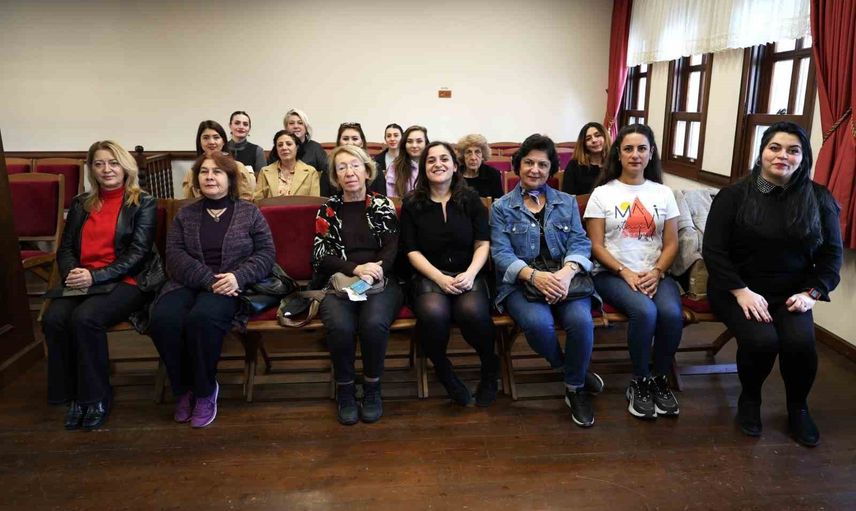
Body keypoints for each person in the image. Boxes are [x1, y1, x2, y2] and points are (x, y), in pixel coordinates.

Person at [703, 121, 842, 447]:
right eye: (775, 148)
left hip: (793, 293)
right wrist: (741, 292)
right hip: (736, 288)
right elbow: (714, 251)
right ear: (762, 152)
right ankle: (750, 400)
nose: (783, 156)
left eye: (793, 151)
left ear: (803, 158)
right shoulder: (734, 196)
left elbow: (831, 256)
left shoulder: (819, 198)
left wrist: (812, 294)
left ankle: (798, 408)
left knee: (800, 343)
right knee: (762, 341)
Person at [149, 152, 275, 428]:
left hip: (232, 286)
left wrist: (238, 277)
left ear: (230, 179)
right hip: (188, 282)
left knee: (202, 319)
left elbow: (266, 254)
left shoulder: (249, 212)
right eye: (204, 172)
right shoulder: (186, 214)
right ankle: (184, 389)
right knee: (163, 319)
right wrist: (208, 280)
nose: (209, 177)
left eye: (217, 172)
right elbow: (175, 255)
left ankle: (205, 390)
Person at [43, 140, 160, 430]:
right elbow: (66, 248)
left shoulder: (142, 202)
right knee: (54, 318)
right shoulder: (81, 203)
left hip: (128, 280)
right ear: (91, 169)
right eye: (99, 164)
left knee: (86, 318)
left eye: (113, 162)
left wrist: (95, 276)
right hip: (84, 278)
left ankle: (95, 396)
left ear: (125, 166)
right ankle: (71, 394)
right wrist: (74, 273)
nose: (107, 169)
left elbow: (138, 254)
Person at [490, 134, 601, 428]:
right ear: (518, 166)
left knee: (581, 322)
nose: (535, 170)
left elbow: (580, 242)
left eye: (542, 164)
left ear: (551, 169)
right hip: (521, 280)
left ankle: (574, 390)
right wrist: (534, 276)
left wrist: (566, 273)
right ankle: (572, 371)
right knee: (539, 324)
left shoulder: (566, 202)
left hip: (565, 277)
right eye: (528, 163)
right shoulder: (501, 207)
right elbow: (500, 253)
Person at [584, 123, 683, 421]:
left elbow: (672, 243)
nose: (635, 154)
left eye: (642, 148)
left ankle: (659, 379)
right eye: (628, 149)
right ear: (618, 154)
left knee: (671, 314)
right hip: (611, 273)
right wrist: (624, 271)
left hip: (655, 273)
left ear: (651, 153)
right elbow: (595, 245)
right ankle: (639, 381)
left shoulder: (663, 193)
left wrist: (657, 270)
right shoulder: (602, 193)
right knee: (645, 312)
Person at [401, 141, 500, 406]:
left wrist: (470, 273)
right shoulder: (412, 203)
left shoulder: (471, 200)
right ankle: (443, 370)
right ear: (424, 168)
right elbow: (411, 250)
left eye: (444, 159)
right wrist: (439, 278)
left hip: (469, 272)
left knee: (472, 313)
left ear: (455, 166)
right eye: (431, 160)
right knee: (433, 314)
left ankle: (490, 368)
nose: (438, 164)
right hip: (429, 275)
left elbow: (482, 243)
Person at [312, 145, 403, 425]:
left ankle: (373, 387)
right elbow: (321, 255)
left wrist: (373, 272)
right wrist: (355, 269)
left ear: (366, 171)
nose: (349, 172)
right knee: (340, 326)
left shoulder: (382, 204)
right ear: (335, 176)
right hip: (340, 281)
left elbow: (392, 247)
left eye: (354, 165)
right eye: (342, 168)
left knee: (373, 324)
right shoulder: (328, 209)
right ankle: (346, 390)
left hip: (381, 280)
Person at [183, 120, 255, 200]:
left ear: (223, 141)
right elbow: (188, 201)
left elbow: (246, 199)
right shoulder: (192, 172)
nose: (211, 142)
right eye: (206, 138)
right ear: (200, 142)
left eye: (216, 137)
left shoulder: (238, 167)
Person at [271, 108, 331, 195]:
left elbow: (327, 173)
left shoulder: (316, 148)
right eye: (291, 123)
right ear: (286, 128)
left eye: (300, 123)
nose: (296, 126)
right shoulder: (279, 149)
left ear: (306, 128)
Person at [254, 130, 321, 199]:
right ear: (276, 149)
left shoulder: (310, 172)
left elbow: (315, 202)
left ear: (297, 147)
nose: (284, 148)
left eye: (289, 144)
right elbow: (258, 201)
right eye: (280, 145)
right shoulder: (265, 171)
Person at [337, 122, 386, 194]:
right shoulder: (329, 169)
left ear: (362, 143)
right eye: (345, 139)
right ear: (339, 142)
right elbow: (325, 199)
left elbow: (381, 196)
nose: (350, 143)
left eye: (355, 139)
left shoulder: (375, 168)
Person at [562, 122, 610, 196]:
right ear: (584, 144)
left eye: (597, 135)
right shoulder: (574, 165)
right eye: (588, 139)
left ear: (605, 137)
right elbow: (567, 196)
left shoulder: (615, 163)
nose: (594, 140)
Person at [456, 134, 503, 198]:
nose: (473, 158)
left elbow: (499, 201)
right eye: (468, 152)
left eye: (477, 152)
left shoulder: (493, 174)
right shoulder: (455, 175)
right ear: (463, 156)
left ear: (483, 156)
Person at [387, 125, 427, 198]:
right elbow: (392, 198)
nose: (414, 145)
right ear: (404, 144)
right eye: (409, 141)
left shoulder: (431, 165)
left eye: (419, 141)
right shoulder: (395, 166)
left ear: (426, 143)